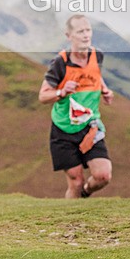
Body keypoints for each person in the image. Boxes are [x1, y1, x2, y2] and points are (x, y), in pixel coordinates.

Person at [38, 14, 114, 199]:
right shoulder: (60, 63)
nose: (86, 35)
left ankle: (86, 193)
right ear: (69, 35)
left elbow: (95, 74)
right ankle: (71, 221)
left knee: (103, 176)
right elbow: (43, 96)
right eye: (80, 31)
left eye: (88, 30)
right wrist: (61, 92)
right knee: (76, 182)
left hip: (90, 125)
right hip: (64, 129)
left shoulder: (97, 55)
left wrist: (105, 90)